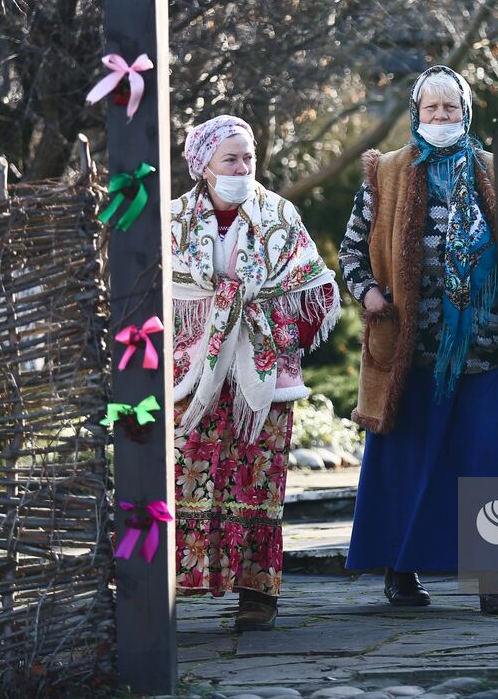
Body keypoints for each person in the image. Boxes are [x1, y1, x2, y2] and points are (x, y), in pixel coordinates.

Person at [339, 66, 498, 615]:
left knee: (489, 461)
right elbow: (351, 253)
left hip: (485, 351)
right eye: (433, 109)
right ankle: (402, 569)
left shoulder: (493, 170)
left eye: (452, 108)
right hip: (412, 352)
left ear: (468, 113)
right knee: (408, 462)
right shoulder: (385, 173)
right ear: (418, 113)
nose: (442, 118)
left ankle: (495, 579)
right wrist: (369, 294)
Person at [170, 114, 340, 632]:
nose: (243, 167)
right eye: (231, 158)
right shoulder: (174, 222)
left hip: (262, 381)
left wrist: (276, 331)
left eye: (248, 157)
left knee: (257, 483)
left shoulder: (278, 215)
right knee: (185, 479)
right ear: (204, 167)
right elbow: (158, 294)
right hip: (192, 378)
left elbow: (315, 287)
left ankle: (256, 597)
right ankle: (174, 584)